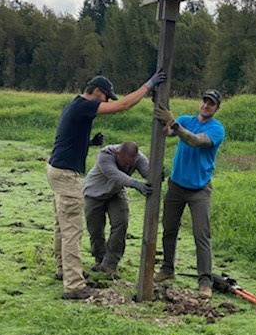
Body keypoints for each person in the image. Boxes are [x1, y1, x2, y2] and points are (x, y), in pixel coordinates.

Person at [46, 71, 166, 300]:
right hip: (66, 174)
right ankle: (74, 286)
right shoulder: (84, 106)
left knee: (61, 225)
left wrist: (88, 142)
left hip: (55, 168)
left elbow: (66, 136)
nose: (107, 102)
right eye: (106, 97)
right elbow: (124, 105)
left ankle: (62, 270)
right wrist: (148, 85)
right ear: (97, 91)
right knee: (72, 229)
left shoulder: (73, 106)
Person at [153, 89, 225, 299]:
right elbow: (166, 131)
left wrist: (174, 124)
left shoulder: (216, 129)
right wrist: (158, 108)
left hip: (199, 189)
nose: (205, 106)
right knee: (169, 228)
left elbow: (196, 141)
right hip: (176, 185)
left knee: (201, 234)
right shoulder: (186, 119)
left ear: (216, 108)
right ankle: (167, 268)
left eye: (210, 103)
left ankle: (204, 280)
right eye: (204, 101)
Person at [83, 141, 151, 277]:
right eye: (124, 163)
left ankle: (110, 264)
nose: (127, 166)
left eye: (130, 164)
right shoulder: (105, 154)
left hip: (115, 192)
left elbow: (148, 172)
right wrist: (135, 183)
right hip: (94, 193)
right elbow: (115, 175)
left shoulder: (138, 158)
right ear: (118, 153)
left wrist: (157, 173)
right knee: (95, 229)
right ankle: (100, 259)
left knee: (121, 222)